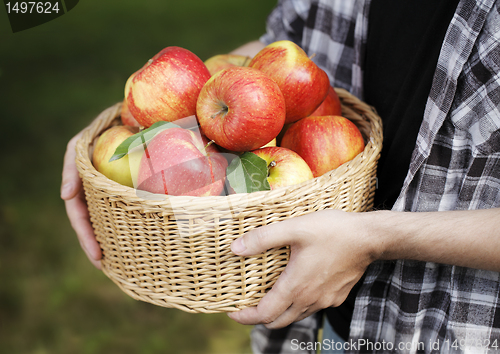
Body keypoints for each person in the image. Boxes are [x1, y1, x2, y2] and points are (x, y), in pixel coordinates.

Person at [62, 0, 500, 353]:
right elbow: (270, 52)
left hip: (445, 328)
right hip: (320, 318)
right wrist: (121, 133)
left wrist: (376, 237)